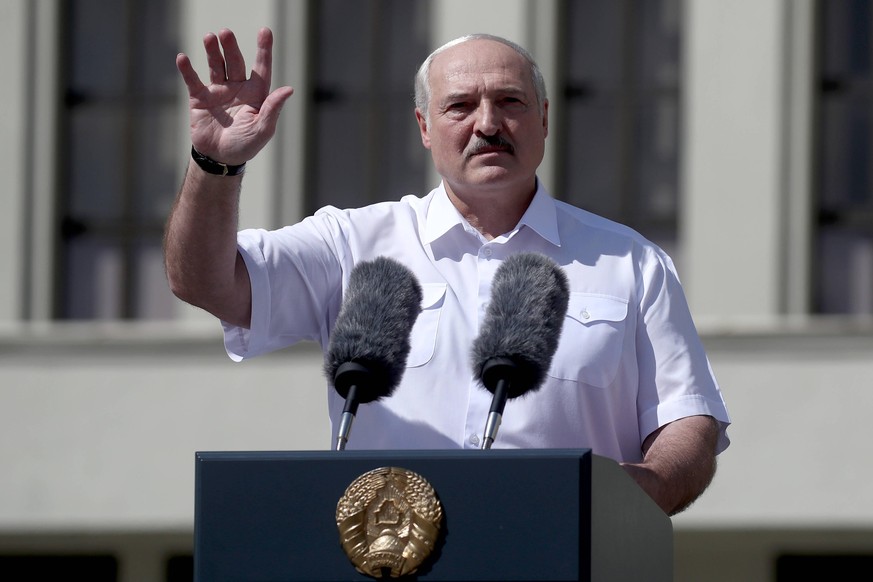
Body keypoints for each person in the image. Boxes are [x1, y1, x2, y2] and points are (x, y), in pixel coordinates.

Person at [165, 27, 731, 516]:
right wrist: (217, 165)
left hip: (561, 550)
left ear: (544, 119)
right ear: (424, 127)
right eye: (460, 106)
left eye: (510, 101)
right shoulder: (353, 244)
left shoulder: (630, 262)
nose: (488, 124)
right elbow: (204, 282)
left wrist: (638, 493)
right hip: (387, 552)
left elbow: (687, 422)